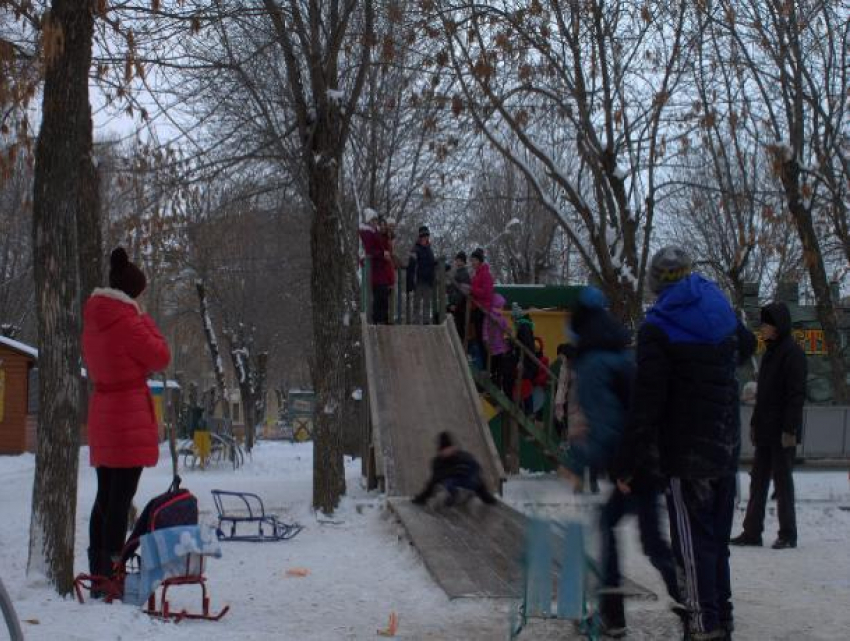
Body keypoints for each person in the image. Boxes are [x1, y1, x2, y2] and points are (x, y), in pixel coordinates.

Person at [615, 246, 756, 641]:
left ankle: (702, 627)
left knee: (692, 547)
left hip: (686, 454)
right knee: (716, 542)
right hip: (726, 445)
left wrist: (627, 462)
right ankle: (722, 619)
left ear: (656, 282)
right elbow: (747, 347)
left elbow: (647, 402)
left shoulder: (658, 326)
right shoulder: (718, 305)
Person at [560, 286, 679, 637]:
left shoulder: (594, 364)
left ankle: (691, 604)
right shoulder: (618, 352)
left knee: (649, 541)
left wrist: (577, 458)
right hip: (646, 457)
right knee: (623, 528)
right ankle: (687, 604)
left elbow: (609, 428)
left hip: (635, 464)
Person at [82, 247, 171, 587]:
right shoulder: (129, 322)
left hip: (103, 412)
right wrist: (144, 317)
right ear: (133, 292)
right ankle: (112, 573)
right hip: (128, 414)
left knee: (105, 495)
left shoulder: (94, 319)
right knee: (120, 498)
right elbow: (160, 356)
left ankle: (98, 569)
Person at [730, 302, 806, 550]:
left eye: (766, 324)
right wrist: (754, 423)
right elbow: (763, 395)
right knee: (758, 481)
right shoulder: (770, 354)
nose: (762, 328)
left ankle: (788, 533)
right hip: (765, 429)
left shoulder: (793, 353)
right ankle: (752, 531)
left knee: (783, 484)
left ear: (778, 326)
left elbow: (796, 395)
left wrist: (790, 429)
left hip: (783, 430)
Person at [412, 431, 497, 507]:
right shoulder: (438, 463)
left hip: (466, 483)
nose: (447, 451)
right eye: (445, 449)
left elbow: (477, 474)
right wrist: (421, 498)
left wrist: (486, 497)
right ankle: (453, 497)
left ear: (453, 447)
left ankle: (469, 496)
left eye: (449, 448)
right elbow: (432, 482)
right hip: (451, 486)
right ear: (440, 451)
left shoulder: (464, 457)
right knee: (446, 485)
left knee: (474, 479)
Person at [358, 211, 393, 324]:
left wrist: (385, 253)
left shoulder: (374, 232)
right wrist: (382, 254)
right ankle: (377, 320)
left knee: (383, 294)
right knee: (379, 294)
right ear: (368, 221)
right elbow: (370, 251)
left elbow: (380, 247)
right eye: (373, 220)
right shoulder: (367, 233)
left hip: (379, 267)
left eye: (375, 220)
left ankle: (382, 319)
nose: (375, 222)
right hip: (374, 267)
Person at [406, 225, 436, 324]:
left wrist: (439, 265)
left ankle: (426, 321)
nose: (425, 238)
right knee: (416, 302)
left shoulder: (429, 249)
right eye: (423, 236)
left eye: (426, 236)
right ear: (420, 237)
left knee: (427, 303)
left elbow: (432, 263)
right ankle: (415, 321)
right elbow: (411, 266)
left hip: (428, 280)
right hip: (418, 279)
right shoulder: (415, 249)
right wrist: (410, 281)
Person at [469, 248, 494, 362]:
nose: (472, 262)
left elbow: (486, 292)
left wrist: (471, 289)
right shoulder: (476, 275)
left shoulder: (485, 275)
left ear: (479, 261)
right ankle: (479, 360)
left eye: (474, 260)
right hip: (476, 308)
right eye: (472, 260)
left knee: (481, 338)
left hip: (483, 309)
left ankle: (486, 363)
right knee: (476, 337)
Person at [447, 251, 472, 341]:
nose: (457, 262)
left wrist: (455, 304)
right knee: (456, 326)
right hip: (456, 304)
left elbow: (463, 292)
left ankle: (460, 346)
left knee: (459, 327)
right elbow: (451, 289)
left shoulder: (464, 274)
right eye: (456, 260)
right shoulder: (457, 273)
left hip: (461, 306)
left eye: (459, 260)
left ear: (463, 262)